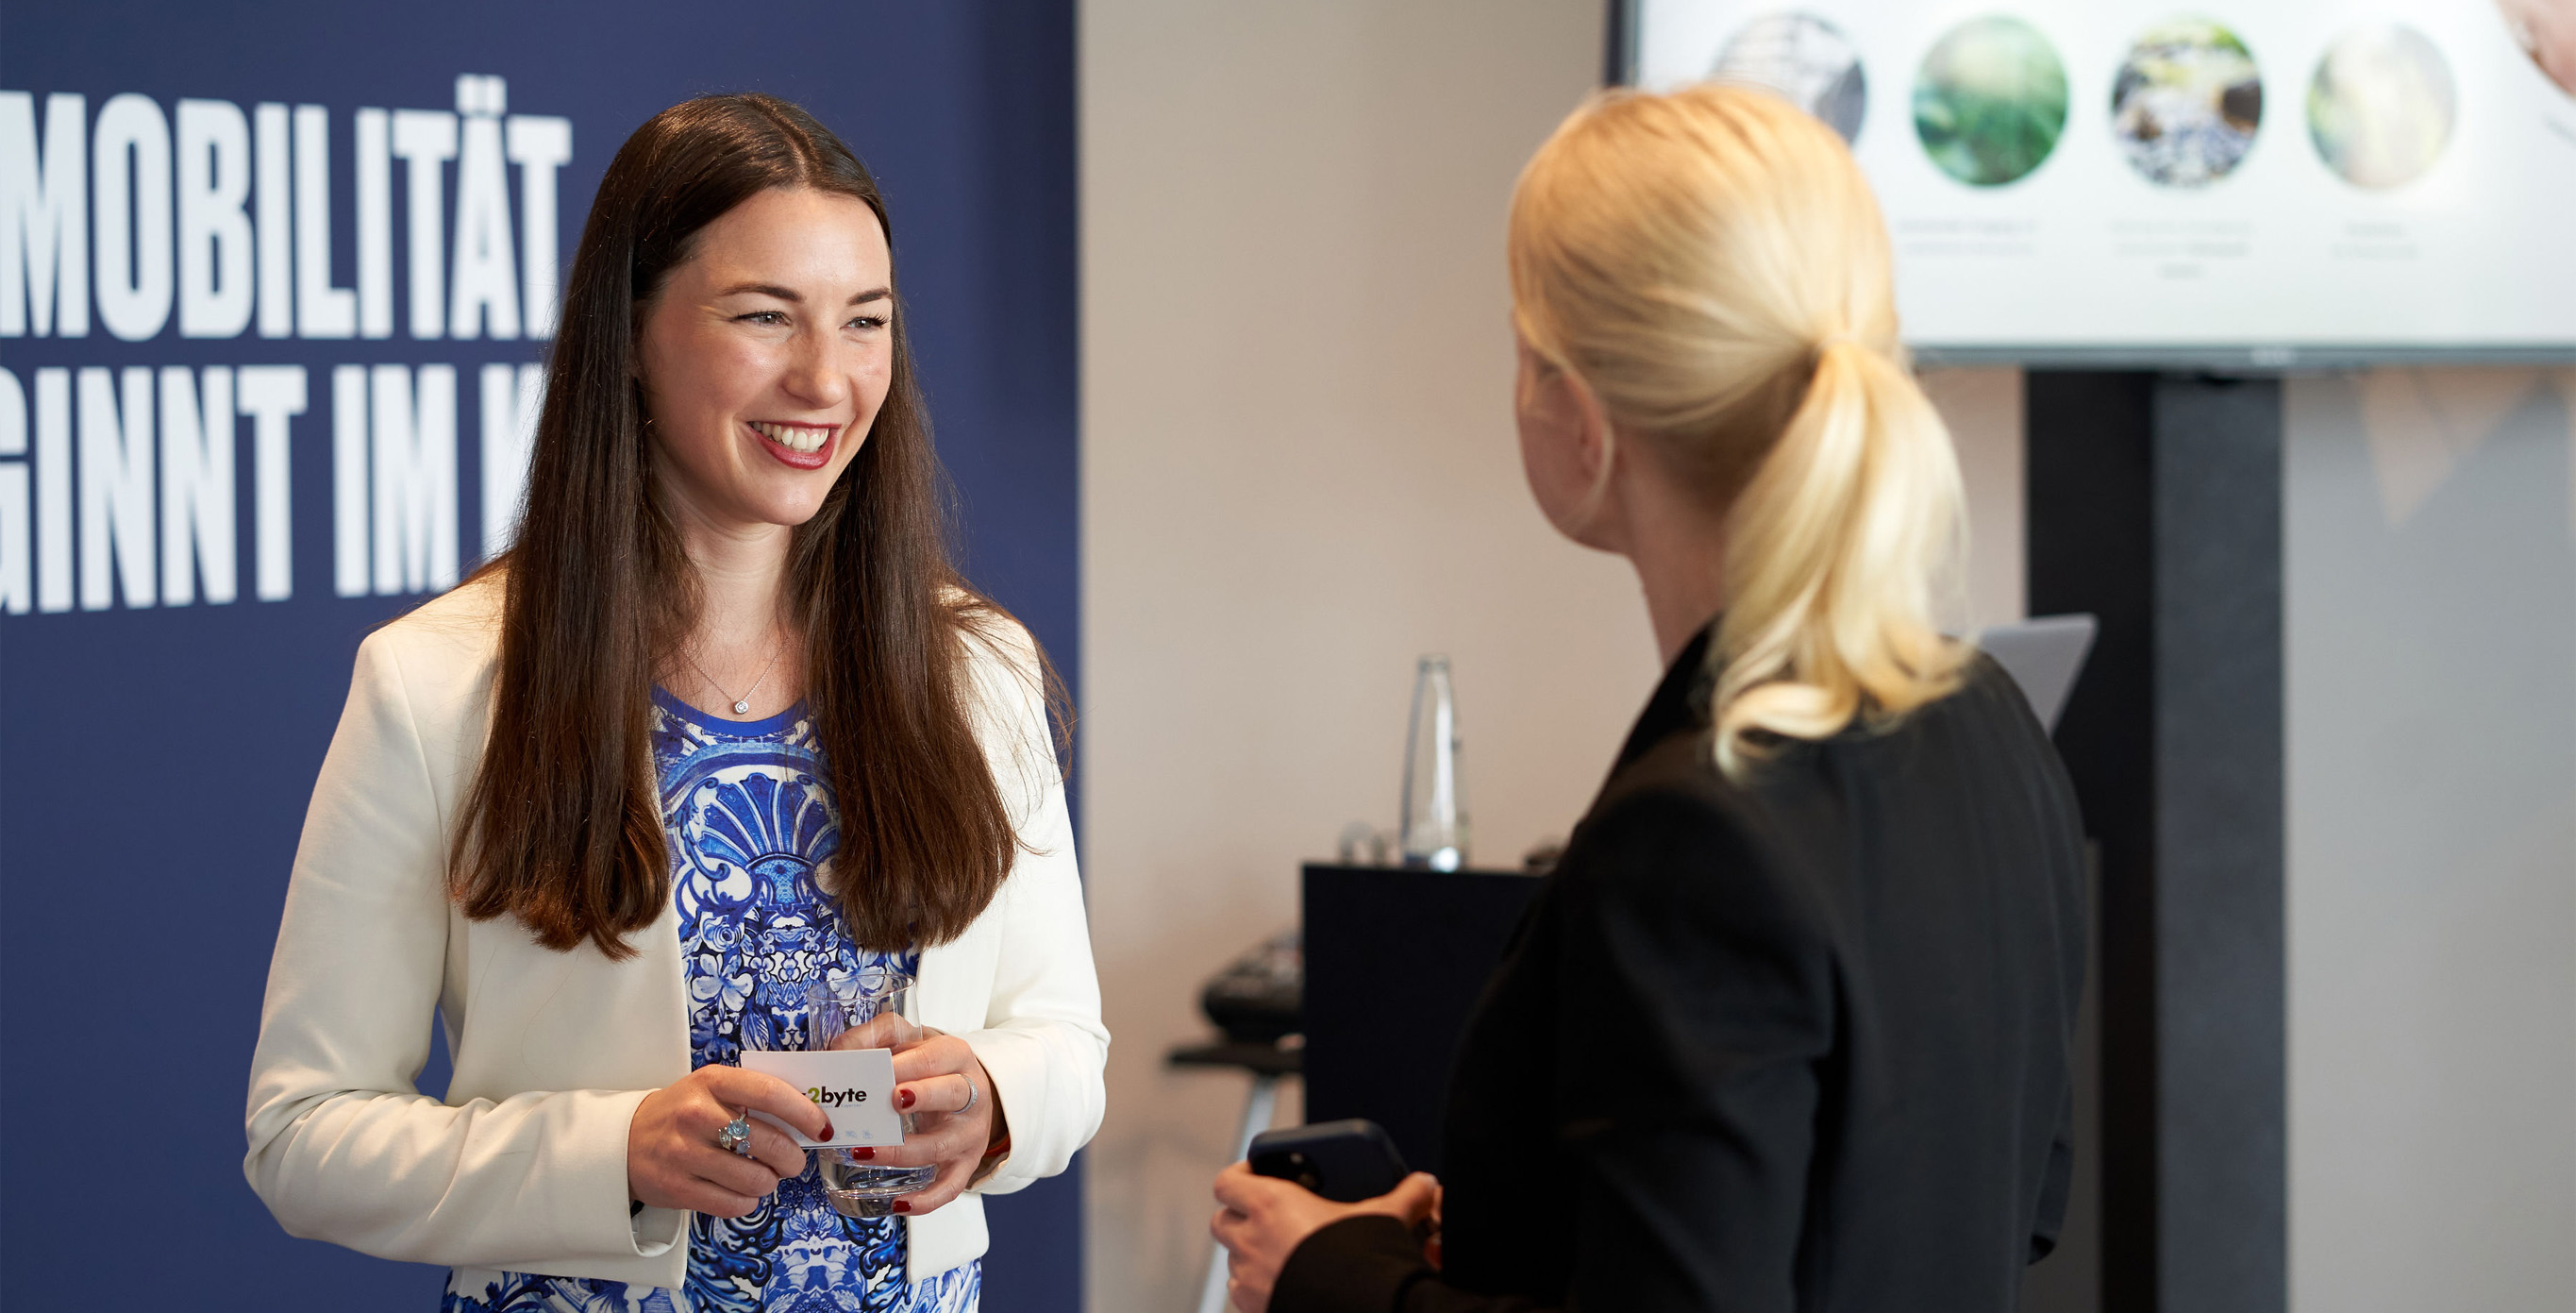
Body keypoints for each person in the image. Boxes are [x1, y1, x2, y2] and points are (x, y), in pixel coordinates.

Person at [1211, 84, 2085, 1312]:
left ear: (1579, 418)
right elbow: (2002, 1201)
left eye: (1519, 346)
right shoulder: (1989, 723)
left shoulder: (1695, 837)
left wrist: (1331, 1275)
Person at [245, 94, 1107, 1313]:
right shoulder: (437, 682)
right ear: (632, 335)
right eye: (764, 317)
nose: (825, 378)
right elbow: (304, 1133)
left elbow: (1068, 1045)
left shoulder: (979, 671)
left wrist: (993, 1099)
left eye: (866, 322)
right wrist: (615, 1153)